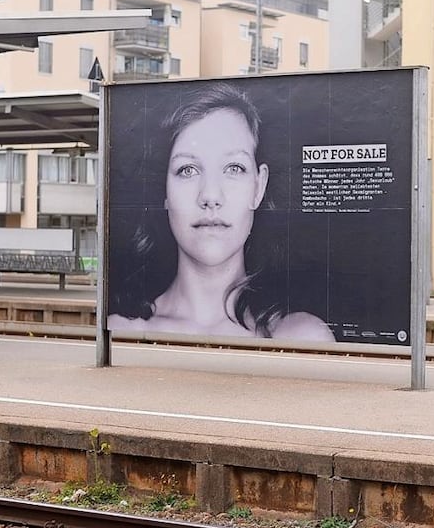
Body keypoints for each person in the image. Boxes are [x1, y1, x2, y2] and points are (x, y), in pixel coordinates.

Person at [107, 82, 334, 342]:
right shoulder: (121, 333)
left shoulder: (302, 338)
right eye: (188, 170)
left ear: (258, 187)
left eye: (234, 168)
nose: (211, 197)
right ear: (164, 191)